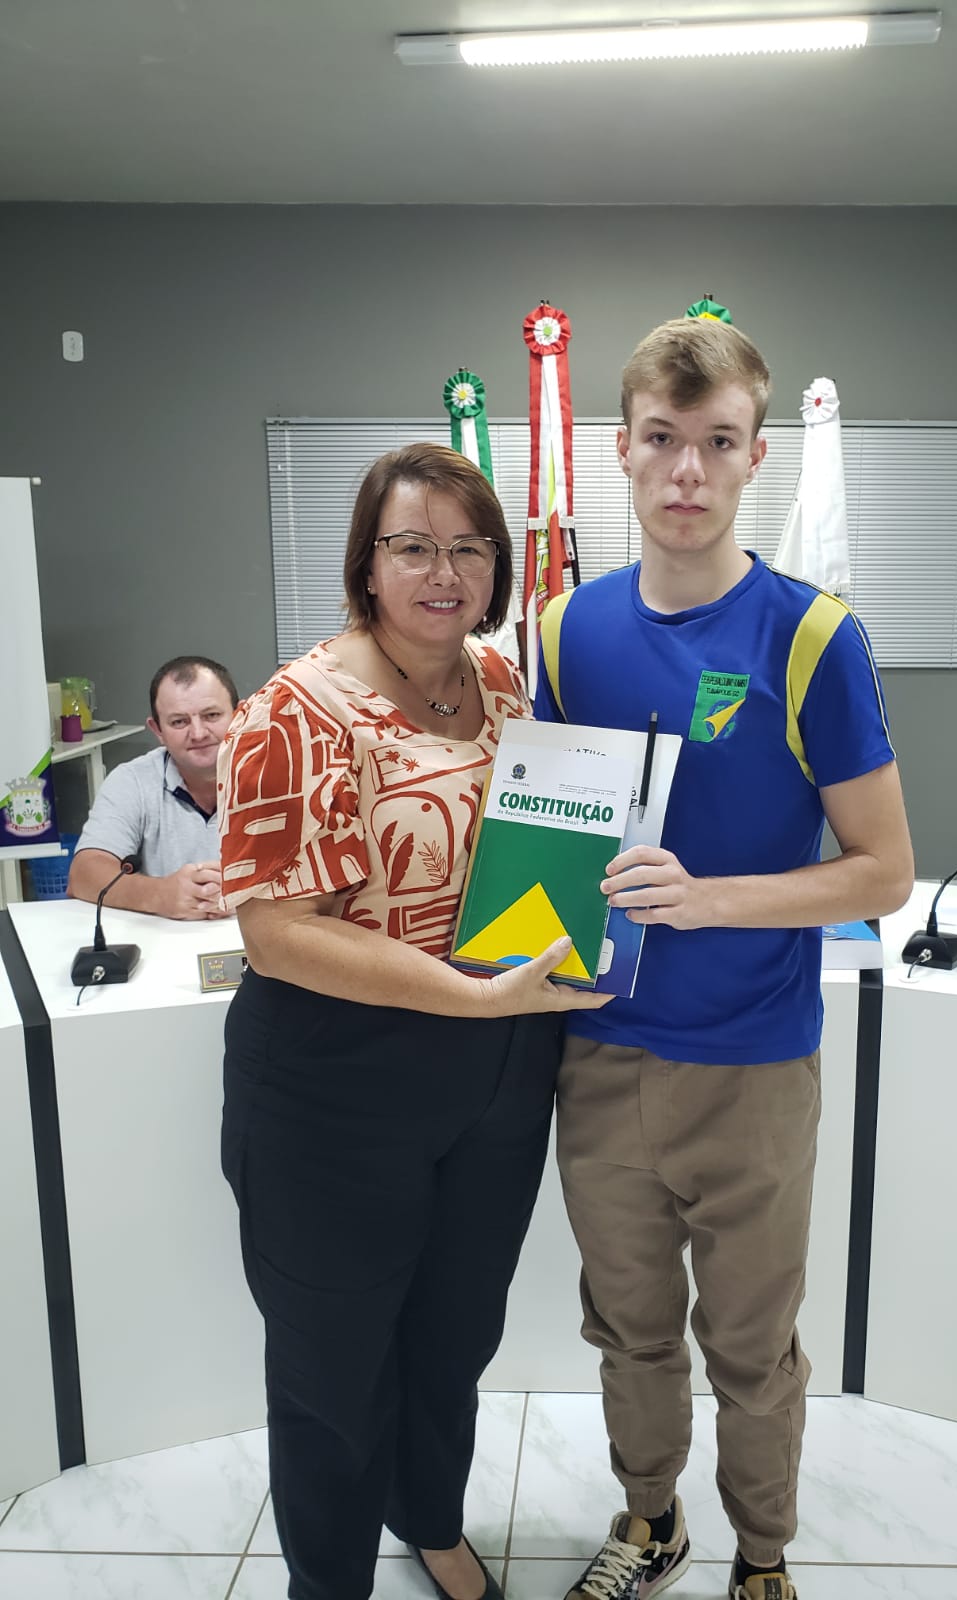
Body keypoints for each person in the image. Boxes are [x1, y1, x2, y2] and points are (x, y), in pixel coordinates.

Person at [534, 319, 915, 1600]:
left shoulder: (813, 638)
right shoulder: (562, 630)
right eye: (662, 438)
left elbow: (883, 871)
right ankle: (651, 1522)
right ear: (622, 450)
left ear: (756, 455)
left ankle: (762, 1556)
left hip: (752, 1065)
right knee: (628, 1329)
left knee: (751, 1349)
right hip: (600, 1054)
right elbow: (553, 835)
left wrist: (708, 902)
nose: (686, 469)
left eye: (717, 442)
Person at [217, 443, 610, 1600]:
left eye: (470, 548)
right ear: (367, 563)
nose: (445, 572)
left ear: (496, 567)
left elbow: (537, 859)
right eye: (414, 547)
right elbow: (277, 934)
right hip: (336, 1079)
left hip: (497, 1064)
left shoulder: (504, 684)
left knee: (453, 1336)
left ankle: (429, 1516)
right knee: (332, 1369)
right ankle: (329, 1581)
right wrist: (472, 995)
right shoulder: (293, 712)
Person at [67, 655, 239, 919]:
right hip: (162, 936)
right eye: (179, 721)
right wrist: (159, 895)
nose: (198, 733)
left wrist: (247, 895)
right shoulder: (132, 781)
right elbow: (83, 875)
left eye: (212, 715)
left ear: (240, 715)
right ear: (157, 730)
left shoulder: (283, 775)